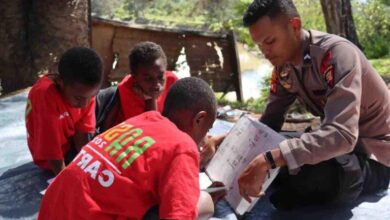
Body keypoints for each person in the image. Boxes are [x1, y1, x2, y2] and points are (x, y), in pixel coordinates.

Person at [237, 0, 390, 209]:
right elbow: (269, 123)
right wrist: (226, 142)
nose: (265, 51)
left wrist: (271, 159)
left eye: (270, 41)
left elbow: (342, 135)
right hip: (338, 148)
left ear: (295, 25)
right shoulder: (284, 68)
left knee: (317, 172)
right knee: (275, 151)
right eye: (260, 45)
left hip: (373, 157)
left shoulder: (336, 55)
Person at [38, 77, 224, 220]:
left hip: (51, 211)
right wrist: (199, 199)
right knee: (204, 203)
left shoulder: (143, 120)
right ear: (199, 119)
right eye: (207, 129)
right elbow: (178, 215)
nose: (204, 138)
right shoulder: (183, 145)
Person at [25, 47, 103, 175]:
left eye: (91, 96)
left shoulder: (84, 94)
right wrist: (64, 180)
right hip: (51, 160)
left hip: (70, 146)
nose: (85, 104)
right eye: (79, 98)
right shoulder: (44, 95)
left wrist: (89, 166)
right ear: (60, 82)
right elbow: (51, 149)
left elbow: (82, 135)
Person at [94, 41, 178, 134]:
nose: (156, 84)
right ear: (134, 77)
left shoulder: (172, 81)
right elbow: (151, 130)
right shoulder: (127, 89)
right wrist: (150, 99)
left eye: (160, 76)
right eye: (148, 79)